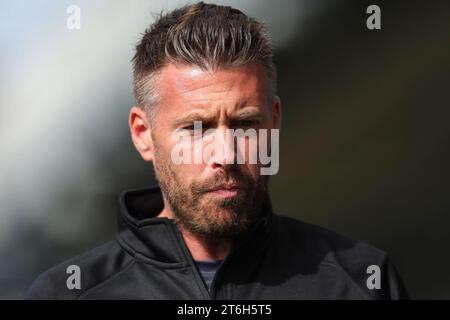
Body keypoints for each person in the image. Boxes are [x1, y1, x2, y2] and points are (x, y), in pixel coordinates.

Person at [27, 2, 408, 299]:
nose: (225, 154)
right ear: (143, 135)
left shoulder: (361, 281)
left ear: (274, 122)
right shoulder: (66, 294)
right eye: (197, 129)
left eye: (245, 125)